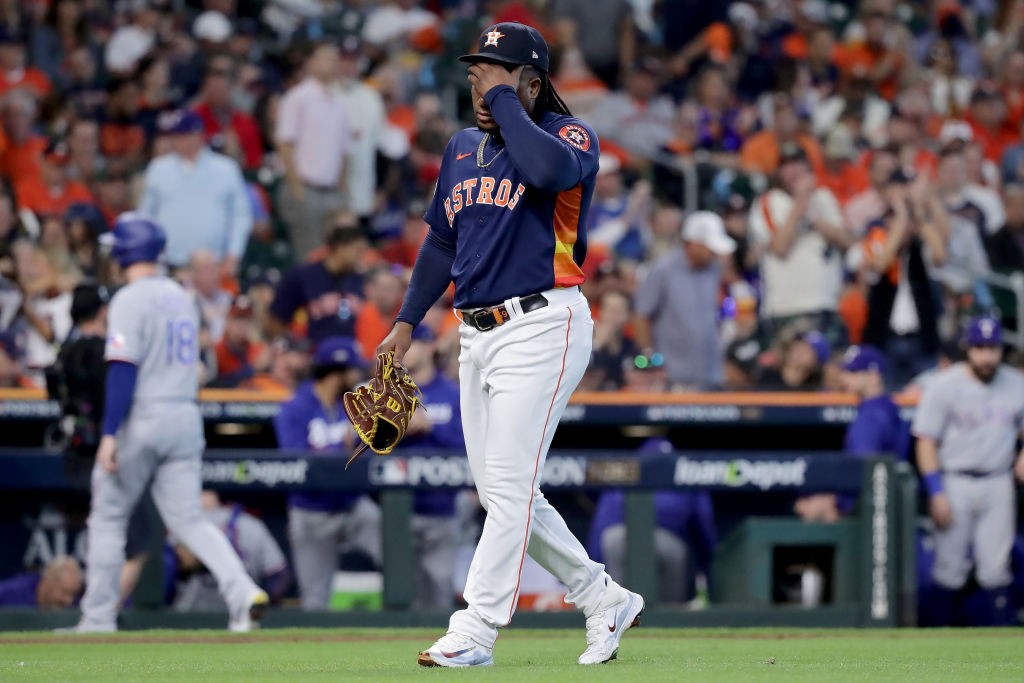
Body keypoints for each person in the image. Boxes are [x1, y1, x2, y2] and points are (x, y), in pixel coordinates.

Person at [377, 23, 642, 668]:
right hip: (475, 333)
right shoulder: (462, 147)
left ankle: (476, 628)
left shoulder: (569, 134)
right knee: (503, 494)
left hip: (544, 322)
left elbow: (548, 170)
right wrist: (408, 321)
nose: (480, 85)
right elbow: (442, 242)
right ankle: (601, 596)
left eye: (496, 74)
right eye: (475, 75)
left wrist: (503, 100)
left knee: (511, 484)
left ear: (532, 80)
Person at [71, 214, 267, 633]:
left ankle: (97, 618)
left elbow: (122, 370)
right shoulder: (182, 295)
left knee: (107, 515)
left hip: (144, 413)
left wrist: (108, 433)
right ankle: (241, 590)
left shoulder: (127, 298)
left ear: (124, 252)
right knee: (189, 520)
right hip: (184, 414)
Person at [912, 316, 1024, 626]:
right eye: (979, 348)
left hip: (998, 480)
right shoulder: (944, 385)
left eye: (992, 348)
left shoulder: (1016, 383)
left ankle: (1002, 649)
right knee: (948, 568)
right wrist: (936, 492)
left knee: (996, 568)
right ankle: (932, 645)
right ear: (967, 348)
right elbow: (925, 441)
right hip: (955, 480)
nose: (986, 356)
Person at [45, 284, 150, 602]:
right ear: (103, 311)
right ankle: (102, 614)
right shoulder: (102, 351)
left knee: (105, 534)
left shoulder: (64, 351)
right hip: (104, 454)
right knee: (137, 543)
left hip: (72, 455)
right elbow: (115, 404)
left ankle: (97, 616)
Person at [273, 336, 380, 610]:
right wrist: (339, 446)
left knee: (398, 554)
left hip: (352, 506)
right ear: (335, 374)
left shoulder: (354, 404)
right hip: (311, 511)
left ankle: (405, 625)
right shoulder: (295, 409)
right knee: (315, 599)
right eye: (351, 370)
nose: (356, 375)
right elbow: (293, 462)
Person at [748, 143, 852, 344]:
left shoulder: (824, 197)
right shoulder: (768, 201)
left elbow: (847, 242)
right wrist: (800, 204)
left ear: (809, 168)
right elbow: (780, 247)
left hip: (827, 304)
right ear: (779, 171)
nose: (793, 170)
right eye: (787, 165)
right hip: (787, 307)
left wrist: (814, 218)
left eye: (798, 164)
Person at [794, 345, 910, 522]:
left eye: (854, 372)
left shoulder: (871, 417)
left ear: (874, 375)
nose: (845, 377)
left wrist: (838, 503)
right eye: (846, 371)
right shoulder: (890, 408)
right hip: (891, 506)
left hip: (871, 511)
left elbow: (863, 470)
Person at [138, 110, 253, 274]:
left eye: (183, 135)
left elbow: (240, 215)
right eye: (176, 136)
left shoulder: (225, 169)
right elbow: (146, 217)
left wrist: (234, 254)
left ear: (198, 135)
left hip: (215, 263)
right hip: (169, 263)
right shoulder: (158, 169)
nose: (179, 141)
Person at [633, 211, 735, 391]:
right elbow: (641, 316)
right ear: (691, 243)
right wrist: (651, 360)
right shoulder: (662, 269)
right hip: (673, 376)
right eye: (709, 247)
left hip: (711, 373)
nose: (714, 253)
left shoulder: (714, 269)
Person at [401, 326, 464, 608]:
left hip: (442, 507)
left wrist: (429, 429)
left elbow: (469, 444)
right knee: (403, 594)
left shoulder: (451, 393)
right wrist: (398, 430)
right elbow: (359, 443)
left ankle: (442, 650)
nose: (402, 351)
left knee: (440, 592)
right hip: (397, 510)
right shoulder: (388, 391)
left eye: (411, 344)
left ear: (429, 347)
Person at [275, 41, 351, 258]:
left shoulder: (340, 103)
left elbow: (344, 151)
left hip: (332, 191)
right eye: (326, 57)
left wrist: (343, 191)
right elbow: (284, 144)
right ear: (310, 62)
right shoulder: (297, 97)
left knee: (337, 255)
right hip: (305, 187)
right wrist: (296, 188)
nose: (333, 63)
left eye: (335, 59)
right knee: (310, 255)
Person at [169, 491, 291, 612]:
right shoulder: (252, 524)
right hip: (243, 608)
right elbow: (280, 575)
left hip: (191, 612)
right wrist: (268, 603)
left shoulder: (184, 526)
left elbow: (168, 567)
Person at [266, 224, 366, 343]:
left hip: (355, 356)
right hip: (313, 356)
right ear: (340, 248)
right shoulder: (303, 276)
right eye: (357, 250)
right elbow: (277, 318)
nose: (361, 256)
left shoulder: (361, 280)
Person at [0, 556, 82, 608]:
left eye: (73, 594)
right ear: (47, 582)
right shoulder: (14, 591)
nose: (69, 600)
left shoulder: (76, 606)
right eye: (65, 592)